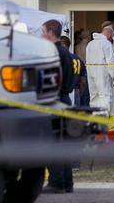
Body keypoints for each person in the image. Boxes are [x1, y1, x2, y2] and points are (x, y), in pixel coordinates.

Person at [41, 20, 74, 193]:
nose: (41, 35)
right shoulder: (65, 52)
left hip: (54, 100)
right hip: (65, 100)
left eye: (43, 32)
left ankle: (56, 182)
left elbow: (51, 79)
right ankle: (67, 183)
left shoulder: (53, 52)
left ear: (50, 32)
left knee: (53, 143)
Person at [86, 25, 114, 113]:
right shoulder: (106, 43)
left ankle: (95, 120)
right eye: (112, 36)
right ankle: (102, 121)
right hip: (102, 74)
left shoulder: (90, 44)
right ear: (109, 33)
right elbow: (110, 61)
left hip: (91, 73)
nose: (111, 38)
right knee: (104, 97)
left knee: (93, 97)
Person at [61, 36, 88, 107]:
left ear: (63, 45)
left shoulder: (60, 58)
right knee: (75, 116)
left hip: (63, 94)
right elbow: (83, 81)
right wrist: (79, 94)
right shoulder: (77, 59)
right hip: (75, 91)